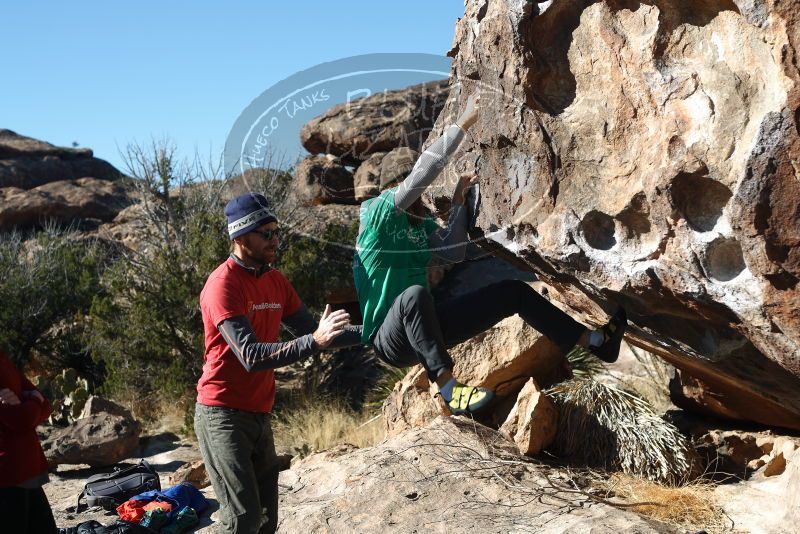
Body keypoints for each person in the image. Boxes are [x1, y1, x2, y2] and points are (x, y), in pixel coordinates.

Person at [353, 93, 627, 416]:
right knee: (413, 296)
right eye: (407, 188)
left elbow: (452, 253)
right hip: (389, 339)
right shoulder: (376, 214)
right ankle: (449, 389)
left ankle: (595, 341)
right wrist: (462, 124)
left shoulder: (417, 224)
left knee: (513, 293)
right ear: (391, 188)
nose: (418, 195)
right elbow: (421, 175)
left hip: (425, 326)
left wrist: (458, 205)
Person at [194, 192, 362, 534]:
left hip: (259, 411)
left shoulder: (275, 281)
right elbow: (251, 357)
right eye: (265, 234)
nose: (275, 240)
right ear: (240, 238)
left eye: (276, 232)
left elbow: (316, 333)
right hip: (222, 414)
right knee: (242, 519)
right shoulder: (222, 285)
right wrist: (314, 340)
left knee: (267, 521)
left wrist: (376, 331)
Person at [0, 350, 57, 534]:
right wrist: (34, 400)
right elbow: (22, 419)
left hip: (26, 469)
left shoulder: (2, 358)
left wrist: (31, 399)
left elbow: (46, 405)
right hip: (7, 476)